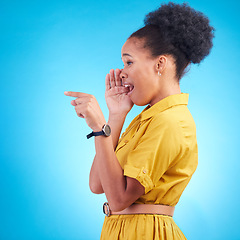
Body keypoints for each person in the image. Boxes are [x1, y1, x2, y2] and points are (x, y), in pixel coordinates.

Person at [64, 2, 215, 239]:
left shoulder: (171, 121)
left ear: (160, 64)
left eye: (129, 62)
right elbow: (97, 184)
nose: (122, 72)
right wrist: (116, 115)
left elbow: (119, 198)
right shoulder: (145, 118)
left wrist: (99, 128)